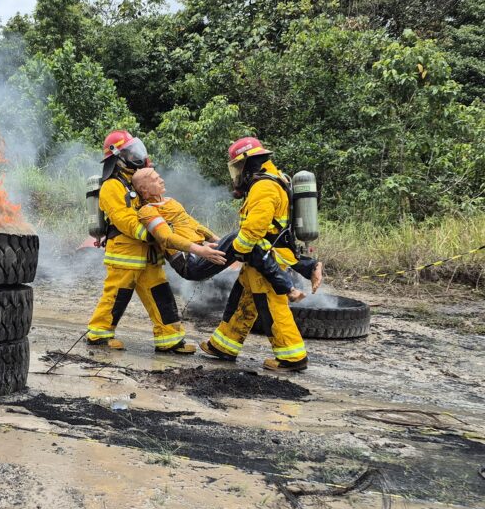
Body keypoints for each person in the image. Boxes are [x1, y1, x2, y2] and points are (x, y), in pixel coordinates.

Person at [200, 137, 313, 372]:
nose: (237, 174)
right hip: (260, 255)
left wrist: (237, 250)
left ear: (248, 163)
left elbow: (254, 229)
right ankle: (223, 345)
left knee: (271, 306)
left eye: (238, 167)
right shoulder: (273, 179)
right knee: (243, 299)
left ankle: (292, 357)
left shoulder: (264, 186)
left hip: (265, 257)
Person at [131, 168, 321, 302]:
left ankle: (301, 275)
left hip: (200, 253)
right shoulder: (146, 211)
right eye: (155, 180)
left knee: (251, 242)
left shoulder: (171, 202)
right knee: (244, 237)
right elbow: (166, 238)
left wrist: (217, 241)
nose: (161, 180)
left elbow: (194, 225)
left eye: (159, 176)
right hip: (190, 263)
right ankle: (294, 281)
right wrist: (201, 250)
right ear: (144, 190)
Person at [86, 130, 196, 354]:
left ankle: (170, 338)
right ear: (117, 156)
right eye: (130, 152)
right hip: (125, 256)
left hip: (149, 255)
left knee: (161, 294)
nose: (138, 156)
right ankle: (99, 334)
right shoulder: (112, 186)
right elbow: (123, 219)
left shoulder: (134, 182)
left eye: (136, 151)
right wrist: (150, 233)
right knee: (116, 296)